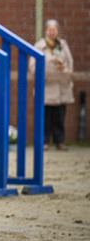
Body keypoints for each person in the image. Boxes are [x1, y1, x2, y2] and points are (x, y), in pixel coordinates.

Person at [31, 19, 74, 151]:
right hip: (46, 87)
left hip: (61, 88)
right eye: (50, 29)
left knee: (59, 117)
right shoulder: (39, 46)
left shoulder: (62, 45)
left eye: (54, 30)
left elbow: (69, 64)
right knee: (45, 118)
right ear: (45, 31)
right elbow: (33, 67)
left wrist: (63, 67)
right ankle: (45, 142)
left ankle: (59, 141)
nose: (52, 32)